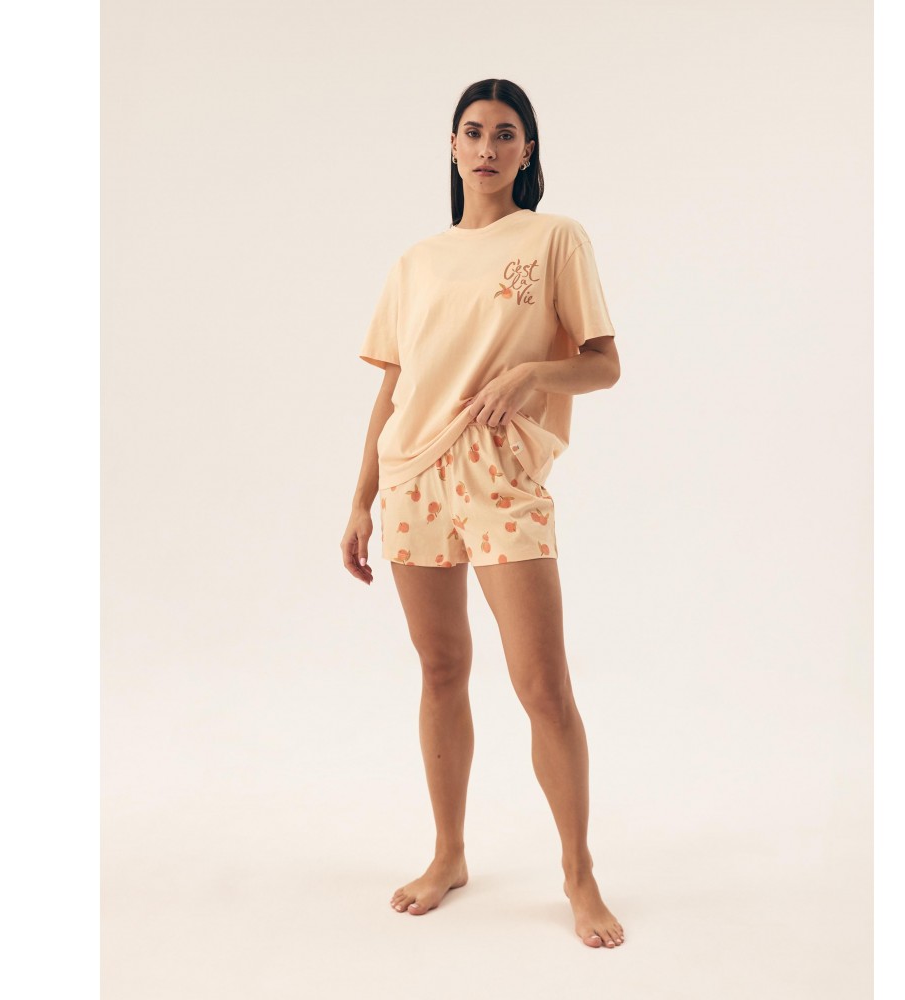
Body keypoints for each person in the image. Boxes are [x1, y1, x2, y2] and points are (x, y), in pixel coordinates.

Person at [341, 79, 624, 949]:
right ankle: (449, 854)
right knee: (440, 671)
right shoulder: (416, 261)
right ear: (453, 146)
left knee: (544, 686)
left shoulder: (554, 238)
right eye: (474, 132)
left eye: (506, 133)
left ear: (528, 150)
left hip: (501, 477)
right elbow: (394, 387)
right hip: (412, 477)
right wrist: (360, 498)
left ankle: (579, 874)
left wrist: (533, 373)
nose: (489, 147)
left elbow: (604, 364)